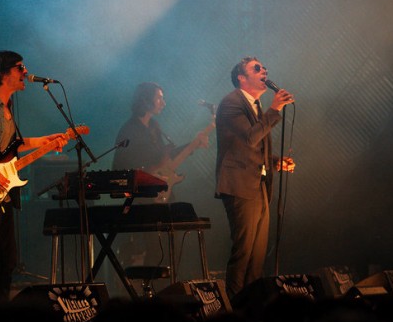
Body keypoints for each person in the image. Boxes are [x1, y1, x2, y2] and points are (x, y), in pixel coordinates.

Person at [0, 50, 67, 311]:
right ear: (2, 73)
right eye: (20, 67)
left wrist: (45, 141)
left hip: (4, 193)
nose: (25, 72)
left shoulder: (7, 106)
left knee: (6, 260)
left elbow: (9, 147)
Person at [215, 56, 295, 301]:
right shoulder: (231, 103)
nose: (264, 71)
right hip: (239, 185)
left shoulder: (256, 106)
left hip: (258, 185)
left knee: (257, 255)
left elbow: (254, 147)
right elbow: (250, 137)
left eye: (265, 68)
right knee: (244, 252)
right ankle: (235, 308)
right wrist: (275, 109)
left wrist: (274, 161)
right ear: (241, 77)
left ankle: (252, 307)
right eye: (257, 68)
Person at [112, 82, 209, 268]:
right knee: (154, 249)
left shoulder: (155, 126)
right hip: (144, 198)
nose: (163, 103)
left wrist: (193, 144)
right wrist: (149, 171)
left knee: (169, 248)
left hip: (162, 193)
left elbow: (166, 158)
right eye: (159, 98)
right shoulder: (130, 130)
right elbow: (121, 165)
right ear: (145, 100)